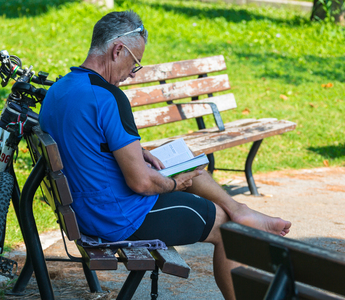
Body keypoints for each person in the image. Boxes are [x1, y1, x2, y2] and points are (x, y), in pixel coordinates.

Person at [39, 10, 291, 300]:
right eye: (134, 63)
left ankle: (239, 208)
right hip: (117, 217)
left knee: (185, 163)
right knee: (229, 230)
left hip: (84, 209)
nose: (132, 73)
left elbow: (85, 139)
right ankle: (237, 214)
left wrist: (139, 152)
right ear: (117, 49)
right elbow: (142, 184)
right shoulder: (108, 96)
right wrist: (175, 184)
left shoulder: (61, 88)